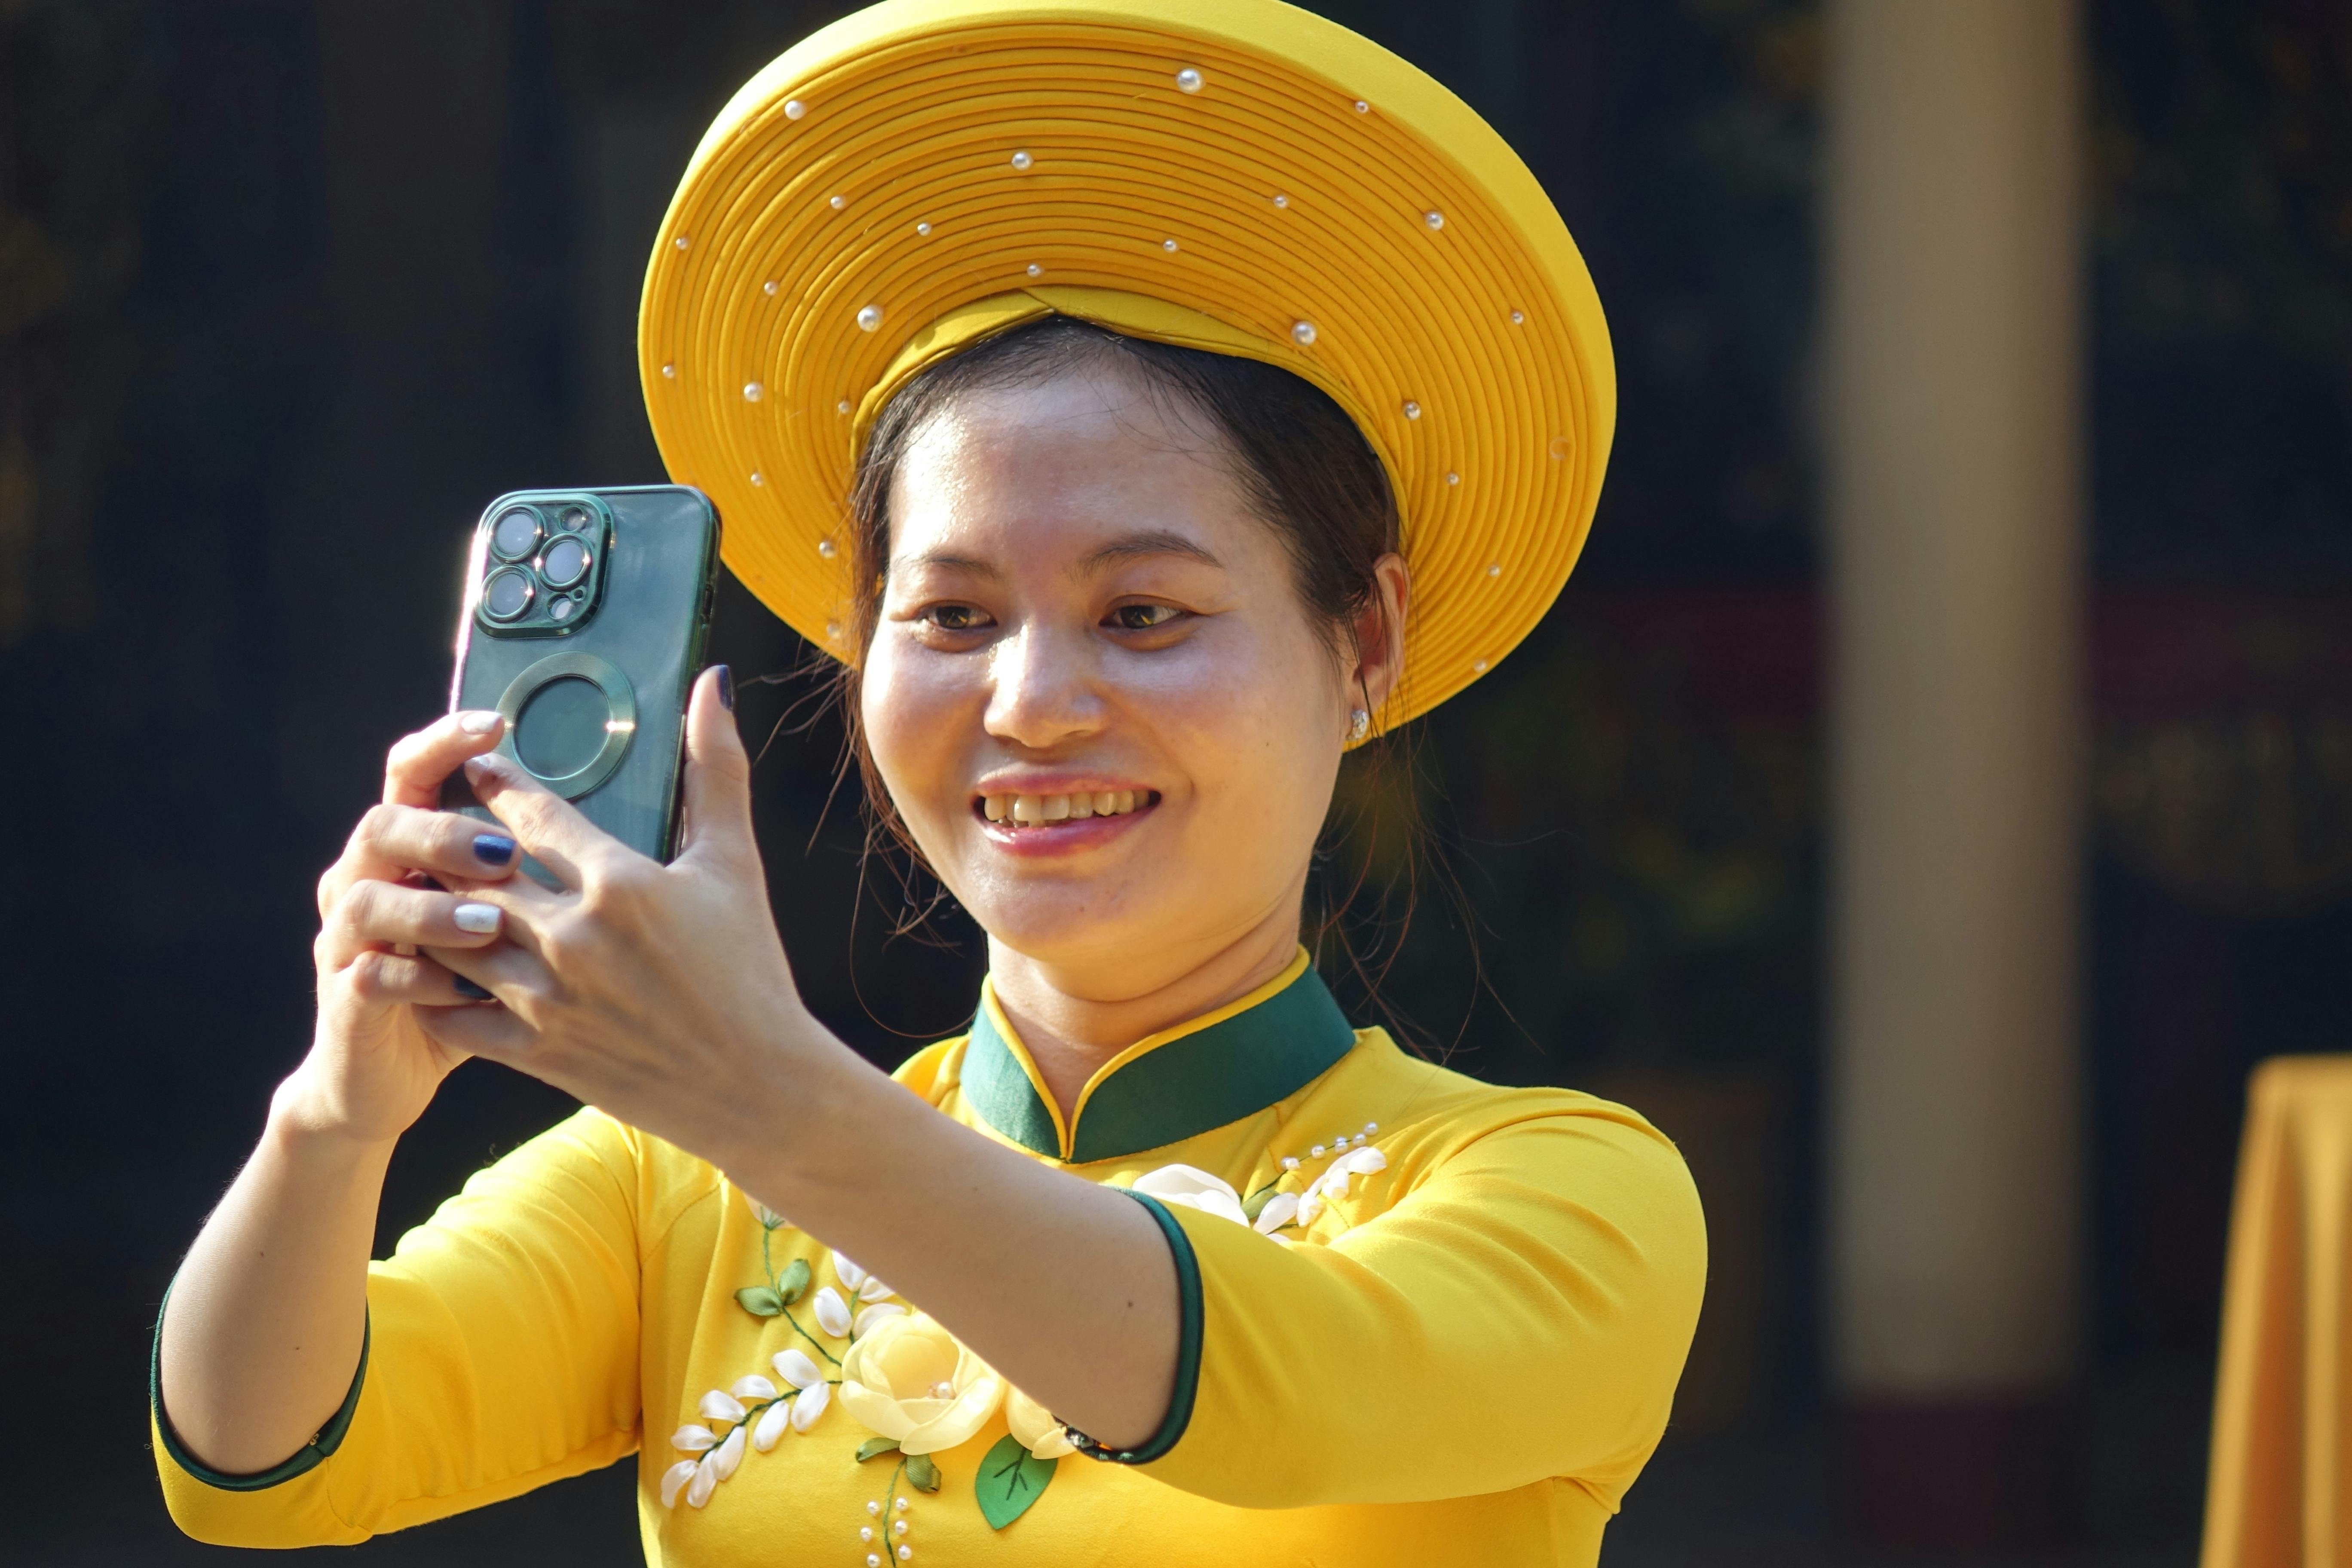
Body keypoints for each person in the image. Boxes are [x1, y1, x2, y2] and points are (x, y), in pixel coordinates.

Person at [152, 1, 1705, 1562]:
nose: (1029, 704)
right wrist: (336, 1119)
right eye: (953, 617)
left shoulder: (1570, 1202)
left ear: (1359, 640)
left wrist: (759, 1091)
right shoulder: (677, 1191)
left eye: (1144, 616)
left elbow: (1258, 1389)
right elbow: (263, 1461)